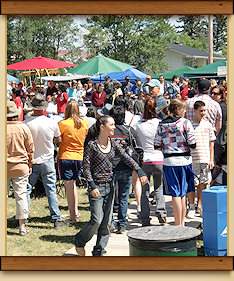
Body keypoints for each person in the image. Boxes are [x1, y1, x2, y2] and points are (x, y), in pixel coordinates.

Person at [74, 115, 147, 256]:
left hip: (110, 186)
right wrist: (92, 185)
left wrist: (139, 169)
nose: (114, 127)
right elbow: (86, 168)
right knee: (96, 220)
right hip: (97, 187)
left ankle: (99, 250)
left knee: (106, 223)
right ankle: (79, 240)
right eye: (112, 124)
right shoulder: (92, 145)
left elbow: (126, 157)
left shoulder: (113, 143)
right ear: (103, 127)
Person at [24, 93, 65, 229]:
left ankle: (23, 217)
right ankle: (56, 218)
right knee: (51, 190)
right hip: (47, 159)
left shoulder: (26, 123)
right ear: (44, 107)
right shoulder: (51, 122)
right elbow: (58, 139)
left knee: (27, 189)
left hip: (31, 160)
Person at [154, 99, 196, 226]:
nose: (185, 111)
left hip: (169, 161)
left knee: (176, 193)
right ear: (178, 109)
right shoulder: (185, 123)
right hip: (185, 160)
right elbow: (193, 143)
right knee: (182, 193)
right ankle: (181, 223)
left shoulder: (161, 124)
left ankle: (178, 223)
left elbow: (156, 144)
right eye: (183, 109)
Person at [109, 106, 143, 234]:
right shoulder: (129, 130)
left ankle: (110, 222)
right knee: (123, 197)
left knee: (110, 196)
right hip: (126, 167)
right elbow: (138, 148)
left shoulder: (108, 131)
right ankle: (122, 224)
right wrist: (137, 166)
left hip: (111, 167)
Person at [135, 98, 167, 226]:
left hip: (144, 159)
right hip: (158, 157)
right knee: (159, 187)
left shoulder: (139, 124)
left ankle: (145, 217)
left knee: (145, 190)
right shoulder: (160, 123)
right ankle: (161, 213)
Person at [58, 101, 88, 223]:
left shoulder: (63, 123)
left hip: (66, 156)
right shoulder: (84, 123)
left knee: (69, 186)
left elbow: (57, 138)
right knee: (73, 185)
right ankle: (75, 211)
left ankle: (72, 217)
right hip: (79, 157)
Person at [7, 101, 34, 236]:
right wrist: (30, 164)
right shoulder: (23, 127)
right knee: (21, 196)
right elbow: (30, 148)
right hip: (21, 166)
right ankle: (22, 227)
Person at [186, 100, 216, 219]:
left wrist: (211, 159)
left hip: (204, 158)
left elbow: (211, 144)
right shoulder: (189, 125)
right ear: (195, 111)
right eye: (201, 111)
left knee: (203, 184)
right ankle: (191, 206)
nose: (203, 113)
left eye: (204, 111)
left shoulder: (208, 125)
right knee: (193, 183)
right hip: (193, 159)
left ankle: (200, 206)